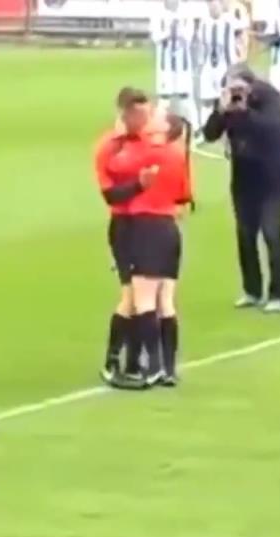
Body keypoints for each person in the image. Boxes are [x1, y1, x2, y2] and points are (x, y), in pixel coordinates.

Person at [202, 67, 280, 314]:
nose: (236, 93)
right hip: (244, 176)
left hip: (273, 175)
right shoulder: (227, 100)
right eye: (231, 88)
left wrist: (245, 110)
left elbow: (271, 127)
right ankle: (252, 290)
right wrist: (221, 110)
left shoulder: (268, 97)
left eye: (240, 89)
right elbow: (210, 134)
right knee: (245, 235)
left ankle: (278, 295)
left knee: (272, 231)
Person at [112, 113, 193, 386]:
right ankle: (169, 369)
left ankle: (154, 366)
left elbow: (115, 166)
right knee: (166, 301)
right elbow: (183, 198)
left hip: (146, 228)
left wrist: (121, 133)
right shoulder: (178, 156)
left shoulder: (144, 153)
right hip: (169, 229)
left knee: (144, 300)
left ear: (164, 129)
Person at [95, 88, 155, 384]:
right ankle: (111, 362)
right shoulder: (108, 147)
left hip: (149, 226)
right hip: (124, 227)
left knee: (143, 296)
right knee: (130, 297)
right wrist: (139, 186)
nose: (146, 120)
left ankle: (132, 363)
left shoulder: (148, 140)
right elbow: (110, 195)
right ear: (126, 113)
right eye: (141, 114)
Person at [151, 0, 198, 133]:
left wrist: (178, 30)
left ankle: (195, 128)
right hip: (165, 65)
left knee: (185, 98)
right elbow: (155, 37)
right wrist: (168, 31)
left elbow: (189, 36)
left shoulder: (186, 12)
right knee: (164, 99)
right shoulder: (158, 13)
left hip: (182, 65)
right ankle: (158, 127)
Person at [197, 0, 240, 132]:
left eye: (216, 5)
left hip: (224, 65)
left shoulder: (229, 22)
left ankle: (229, 126)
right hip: (208, 65)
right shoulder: (204, 23)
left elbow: (241, 28)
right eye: (211, 5)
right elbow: (201, 45)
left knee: (226, 97)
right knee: (206, 99)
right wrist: (200, 63)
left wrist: (233, 67)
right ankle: (206, 127)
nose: (213, 8)